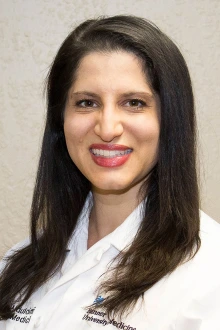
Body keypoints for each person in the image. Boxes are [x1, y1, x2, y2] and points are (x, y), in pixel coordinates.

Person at [0, 15, 220, 330]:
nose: (107, 128)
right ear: (60, 121)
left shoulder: (211, 275)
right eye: (87, 102)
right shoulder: (17, 265)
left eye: (134, 102)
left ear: (171, 119)